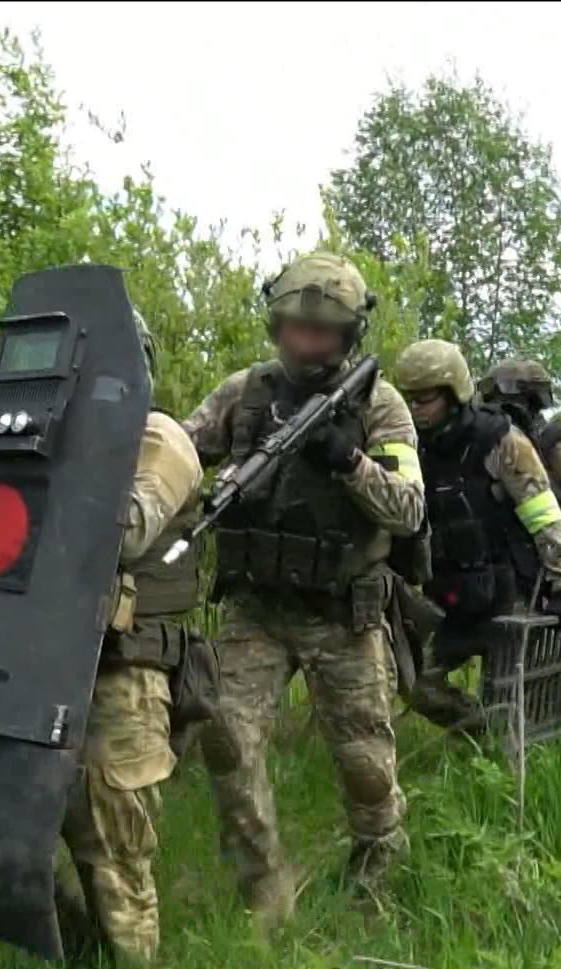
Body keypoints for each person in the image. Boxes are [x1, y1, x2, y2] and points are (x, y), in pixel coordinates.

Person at [0, 311, 204, 969]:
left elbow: (123, 530)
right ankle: (75, 968)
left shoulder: (157, 436)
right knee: (12, 828)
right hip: (34, 665)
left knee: (114, 847)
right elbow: (24, 550)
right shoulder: (44, 446)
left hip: (119, 672)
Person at [181, 252, 423, 920]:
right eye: (294, 328)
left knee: (365, 762)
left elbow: (408, 510)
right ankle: (264, 889)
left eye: (321, 333)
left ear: (348, 336)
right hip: (256, 607)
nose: (306, 343)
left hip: (342, 612)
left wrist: (349, 460)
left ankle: (376, 881)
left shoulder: (380, 403)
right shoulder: (246, 392)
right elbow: (177, 452)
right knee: (226, 738)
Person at [390, 340, 561, 732]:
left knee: (509, 697)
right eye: (409, 399)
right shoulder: (411, 445)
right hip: (450, 594)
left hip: (511, 593)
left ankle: (506, 759)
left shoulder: (502, 441)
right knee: (416, 681)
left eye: (424, 399)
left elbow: (544, 516)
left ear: (453, 392)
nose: (414, 409)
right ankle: (479, 735)